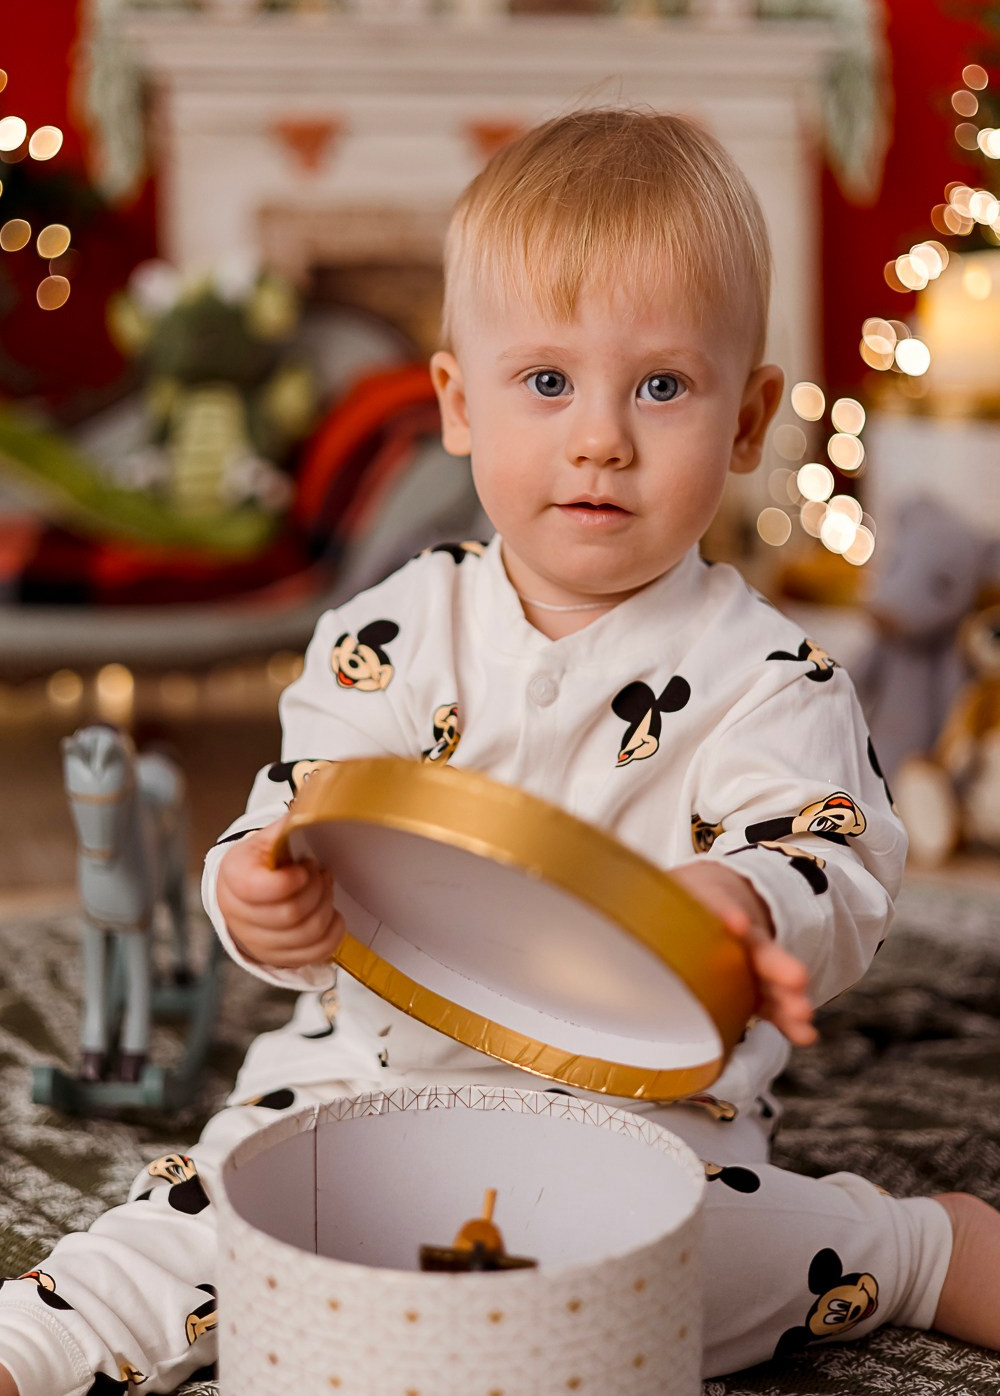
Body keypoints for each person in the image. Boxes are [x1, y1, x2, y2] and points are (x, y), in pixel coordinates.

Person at [2, 108, 999, 1395]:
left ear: (749, 422)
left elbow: (836, 855)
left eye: (660, 386)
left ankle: (914, 1251)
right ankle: (42, 1345)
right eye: (545, 382)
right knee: (199, 1232)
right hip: (355, 1087)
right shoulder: (384, 633)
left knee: (687, 1267)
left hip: (643, 1122)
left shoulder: (774, 671)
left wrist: (746, 899)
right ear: (458, 403)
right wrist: (259, 894)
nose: (600, 437)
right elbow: (294, 814)